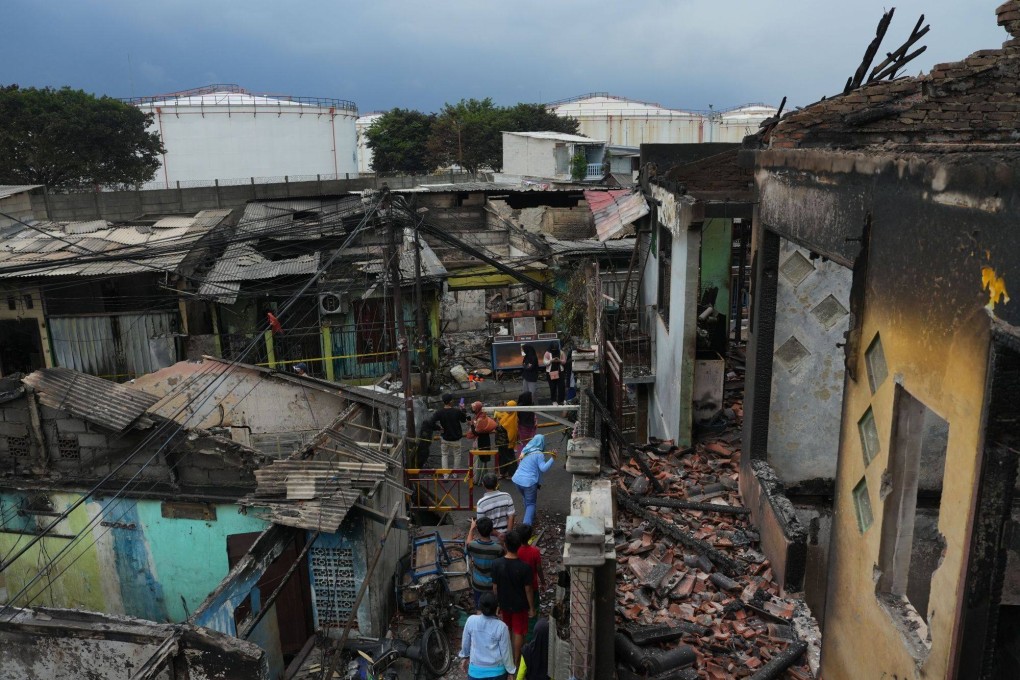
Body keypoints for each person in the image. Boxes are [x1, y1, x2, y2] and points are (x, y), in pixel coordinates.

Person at [490, 530, 535, 666]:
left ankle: (507, 659)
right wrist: (531, 608)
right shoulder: (525, 567)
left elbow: (495, 587)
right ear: (519, 546)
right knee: (518, 631)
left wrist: (497, 603)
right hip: (520, 604)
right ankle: (516, 662)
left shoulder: (496, 564)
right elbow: (528, 590)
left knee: (507, 629)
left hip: (504, 602)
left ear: (505, 545)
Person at [459, 591, 516, 680]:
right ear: (497, 608)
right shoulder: (501, 627)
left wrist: (464, 657)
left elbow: (465, 643)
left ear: (480, 606)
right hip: (497, 674)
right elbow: (506, 652)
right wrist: (511, 671)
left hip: (475, 673)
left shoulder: (471, 620)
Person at [511, 434, 554, 527]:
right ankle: (526, 527)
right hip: (529, 482)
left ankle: (531, 517)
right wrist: (552, 458)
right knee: (531, 504)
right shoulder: (539, 454)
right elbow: (543, 468)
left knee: (526, 498)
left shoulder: (525, 450)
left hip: (517, 480)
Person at [466, 517, 505, 610]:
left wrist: (471, 528)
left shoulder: (472, 546)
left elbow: (468, 543)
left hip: (477, 584)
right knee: (492, 608)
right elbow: (504, 560)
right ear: (491, 530)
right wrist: (502, 542)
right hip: (492, 586)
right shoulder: (498, 549)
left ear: (478, 531)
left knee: (479, 608)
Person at [431, 393, 467, 472]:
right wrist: (463, 409)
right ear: (450, 401)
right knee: (457, 455)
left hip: (445, 438)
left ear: (444, 402)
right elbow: (464, 420)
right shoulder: (457, 411)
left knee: (444, 455)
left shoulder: (439, 412)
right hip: (456, 438)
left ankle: (445, 475)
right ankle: (455, 473)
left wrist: (438, 428)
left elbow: (431, 422)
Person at [514, 524, 545, 616]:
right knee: (534, 608)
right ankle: (532, 623)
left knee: (520, 610)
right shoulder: (535, 552)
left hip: (517, 586)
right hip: (532, 585)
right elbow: (539, 569)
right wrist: (543, 582)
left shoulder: (514, 551)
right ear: (530, 536)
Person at [469, 401, 499, 477]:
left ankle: (481, 477)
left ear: (477, 409)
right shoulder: (482, 416)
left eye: (474, 408)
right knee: (483, 460)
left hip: (481, 441)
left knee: (480, 459)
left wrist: (472, 425)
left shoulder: (480, 419)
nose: (472, 410)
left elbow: (476, 433)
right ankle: (483, 477)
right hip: (485, 439)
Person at [494, 400, 520, 479]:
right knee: (502, 457)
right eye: (507, 406)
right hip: (501, 441)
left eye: (509, 407)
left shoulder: (512, 418)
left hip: (507, 441)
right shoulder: (506, 415)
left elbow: (502, 428)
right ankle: (503, 473)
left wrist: (494, 426)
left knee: (509, 457)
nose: (507, 409)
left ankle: (512, 474)